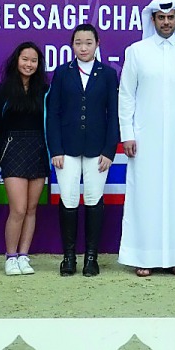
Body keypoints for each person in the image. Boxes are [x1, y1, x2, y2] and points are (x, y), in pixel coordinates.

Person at [118, 0, 175, 277]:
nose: (166, 22)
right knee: (144, 195)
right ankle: (143, 257)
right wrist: (128, 135)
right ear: (153, 20)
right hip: (145, 140)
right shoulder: (137, 51)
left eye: (171, 18)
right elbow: (126, 96)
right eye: (161, 18)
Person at [46, 24, 120, 277]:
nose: (83, 47)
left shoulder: (108, 74)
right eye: (78, 42)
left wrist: (110, 150)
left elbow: (114, 115)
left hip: (97, 149)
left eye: (88, 42)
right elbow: (53, 114)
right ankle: (68, 257)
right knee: (67, 199)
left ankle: (91, 257)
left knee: (93, 199)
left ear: (97, 44)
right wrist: (55, 148)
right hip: (66, 148)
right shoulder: (62, 73)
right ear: (72, 45)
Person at [0, 42, 50, 276]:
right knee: (18, 208)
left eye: (33, 60)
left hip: (38, 149)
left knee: (32, 208)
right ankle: (10, 256)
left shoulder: (45, 91)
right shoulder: (3, 92)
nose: (29, 64)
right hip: (12, 149)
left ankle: (24, 256)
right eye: (25, 59)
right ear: (17, 61)